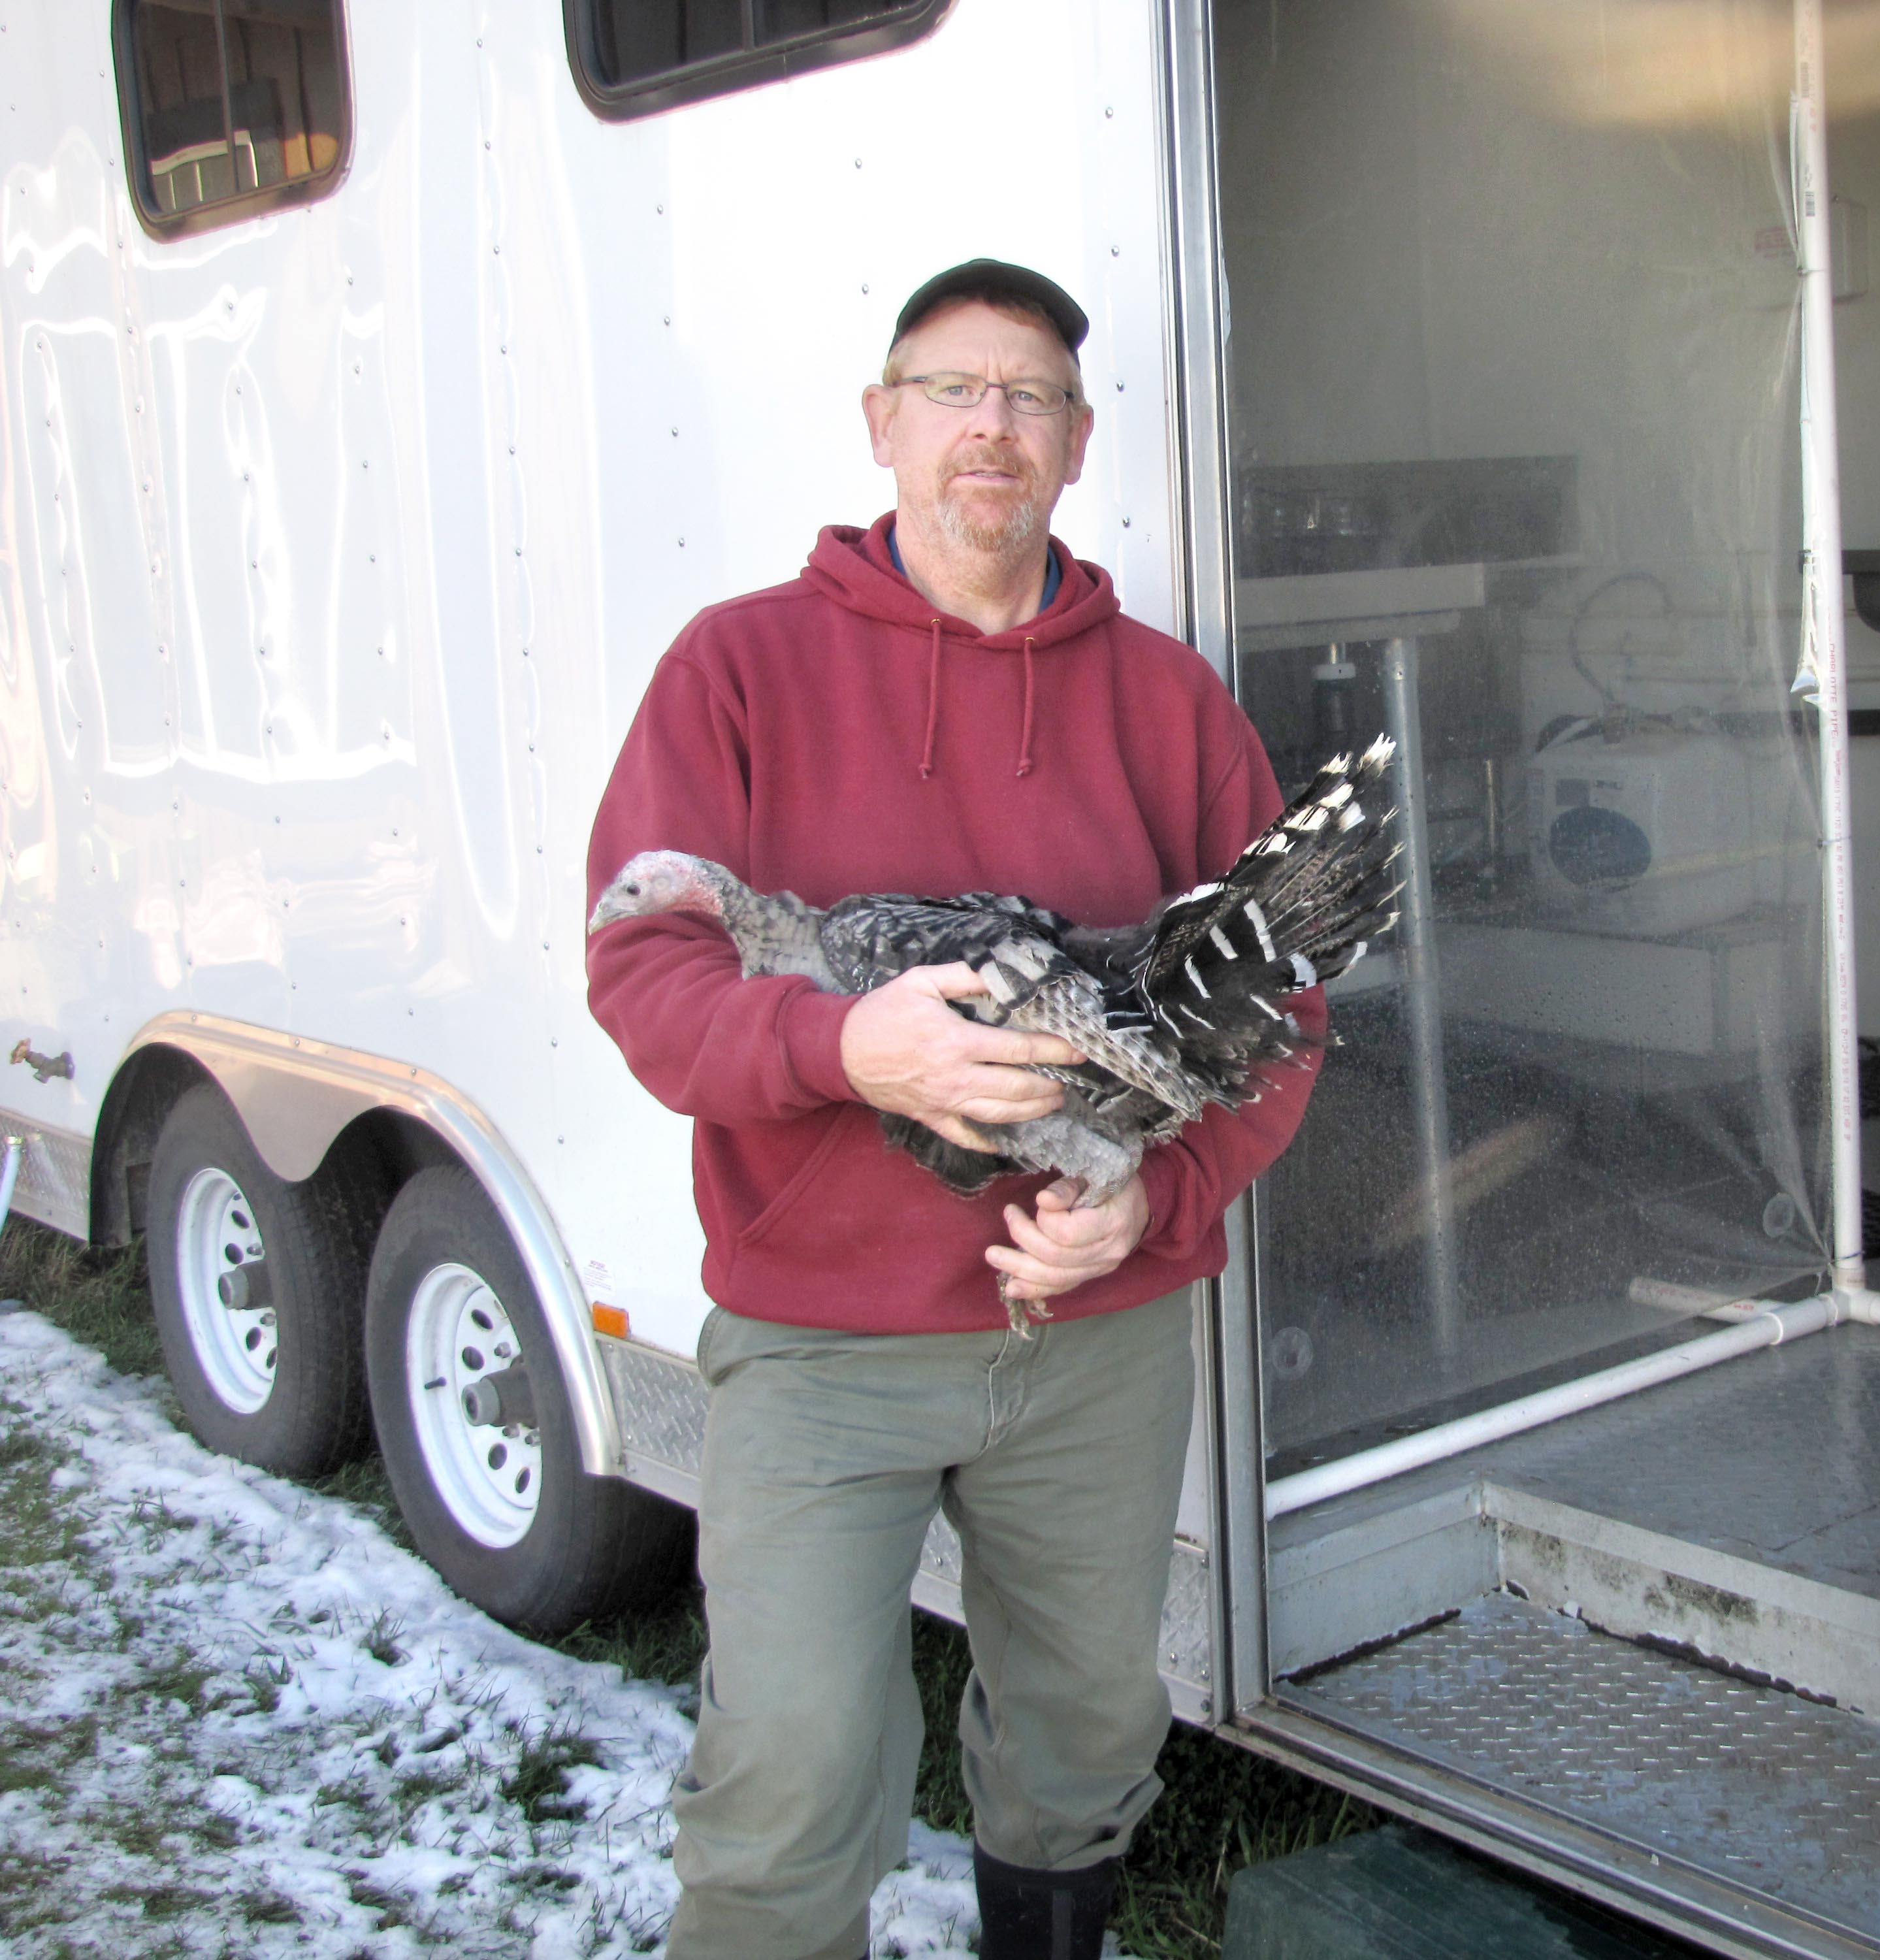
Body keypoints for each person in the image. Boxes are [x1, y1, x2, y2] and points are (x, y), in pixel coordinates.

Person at [585, 260, 1322, 1960]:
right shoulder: (738, 670)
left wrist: (1169, 1191)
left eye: (1032, 397)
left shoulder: (1168, 701)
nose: (991, 427)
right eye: (953, 389)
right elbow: (644, 965)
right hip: (824, 1346)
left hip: (1100, 1340)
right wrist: (852, 1054)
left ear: (1074, 445)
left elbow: (1277, 1005)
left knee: (1082, 1746)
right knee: (793, 1776)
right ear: (882, 422)